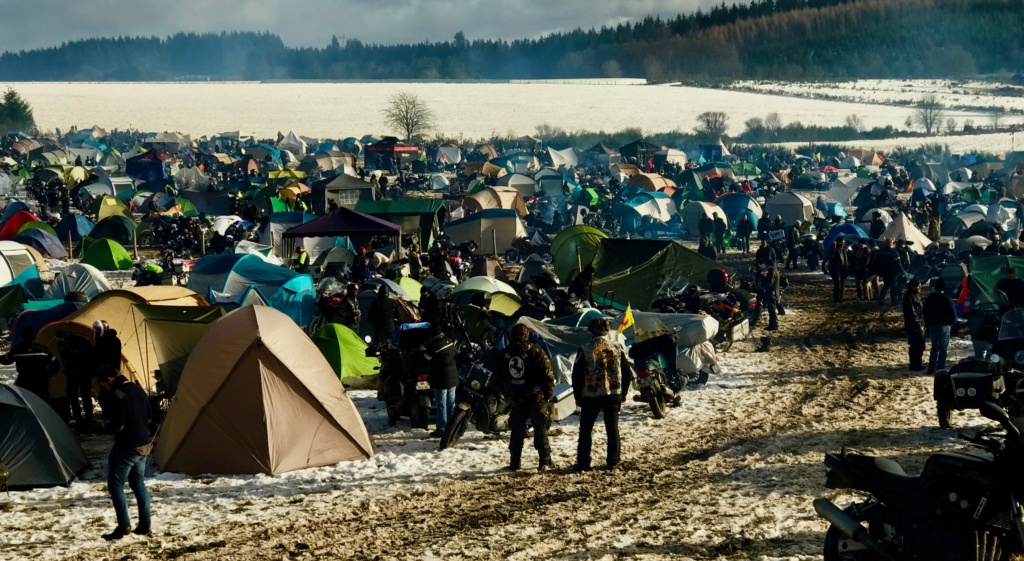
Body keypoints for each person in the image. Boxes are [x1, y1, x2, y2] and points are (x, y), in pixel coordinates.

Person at [571, 317, 633, 472]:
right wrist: (623, 392)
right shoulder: (617, 347)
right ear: (607, 330)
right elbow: (627, 372)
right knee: (612, 427)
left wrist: (578, 396)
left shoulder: (584, 348)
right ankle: (613, 461)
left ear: (591, 330)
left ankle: (583, 463)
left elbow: (576, 374)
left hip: (591, 394)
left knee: (586, 429)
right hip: (613, 392)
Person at [99, 366, 153, 541]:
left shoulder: (119, 394)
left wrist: (107, 425)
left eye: (103, 385)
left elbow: (118, 424)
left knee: (115, 486)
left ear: (109, 379)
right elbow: (150, 416)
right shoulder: (139, 389)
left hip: (126, 446)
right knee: (138, 483)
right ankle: (145, 524)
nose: (105, 389)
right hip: (143, 443)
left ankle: (124, 526)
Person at [492, 324, 555, 471]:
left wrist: (506, 394)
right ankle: (544, 461)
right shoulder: (536, 352)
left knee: (516, 430)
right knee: (540, 428)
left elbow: (497, 377)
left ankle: (515, 462)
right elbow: (548, 376)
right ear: (527, 335)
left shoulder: (505, 353)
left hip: (515, 397)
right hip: (536, 397)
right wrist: (547, 395)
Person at [0, 328, 59, 403]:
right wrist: (47, 374)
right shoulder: (43, 349)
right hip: (41, 382)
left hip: (24, 382)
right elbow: (55, 364)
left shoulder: (17, 349)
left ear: (22, 337)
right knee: (44, 404)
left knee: (27, 404)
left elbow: (6, 360)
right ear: (35, 337)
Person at [56, 329, 96, 427]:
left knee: (81, 394)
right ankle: (81, 416)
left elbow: (91, 355)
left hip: (82, 371)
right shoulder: (64, 343)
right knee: (75, 393)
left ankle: (85, 416)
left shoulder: (79, 341)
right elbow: (64, 357)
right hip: (76, 372)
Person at [428, 327, 459, 438]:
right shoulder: (449, 340)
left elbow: (428, 358)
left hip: (441, 378)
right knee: (451, 403)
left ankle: (441, 429)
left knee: (441, 404)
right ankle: (452, 427)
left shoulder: (435, 345)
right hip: (453, 376)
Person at [923, 279, 957, 375]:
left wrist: (928, 323)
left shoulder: (929, 298)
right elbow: (953, 314)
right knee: (943, 348)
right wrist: (951, 323)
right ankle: (940, 368)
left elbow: (925, 312)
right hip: (944, 326)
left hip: (932, 326)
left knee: (934, 347)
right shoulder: (947, 298)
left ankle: (931, 368)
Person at [903, 279, 926, 372]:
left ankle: (917, 364)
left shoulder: (915, 295)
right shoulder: (909, 296)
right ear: (912, 286)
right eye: (917, 286)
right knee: (915, 345)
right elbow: (911, 313)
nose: (919, 287)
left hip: (919, 324)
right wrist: (918, 325)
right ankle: (915, 365)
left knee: (920, 345)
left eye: (920, 285)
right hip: (914, 326)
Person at [759, 260, 781, 331]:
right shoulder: (775, 271)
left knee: (771, 310)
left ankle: (773, 325)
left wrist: (763, 281)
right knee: (772, 309)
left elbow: (769, 283)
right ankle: (773, 324)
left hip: (771, 293)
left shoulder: (771, 272)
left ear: (769, 265)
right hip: (775, 292)